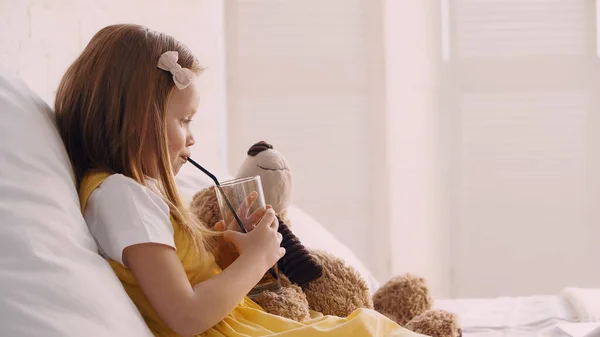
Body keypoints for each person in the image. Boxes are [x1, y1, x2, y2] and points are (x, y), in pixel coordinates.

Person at [55, 24, 420, 337]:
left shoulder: (136, 194)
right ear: (137, 122)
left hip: (241, 323)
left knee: (368, 327)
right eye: (184, 121)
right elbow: (186, 315)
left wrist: (229, 255)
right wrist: (257, 260)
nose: (192, 138)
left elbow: (187, 281)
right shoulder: (121, 197)